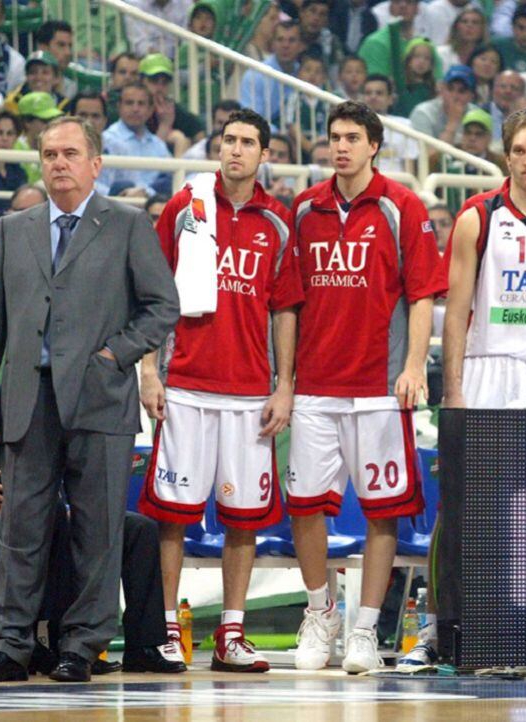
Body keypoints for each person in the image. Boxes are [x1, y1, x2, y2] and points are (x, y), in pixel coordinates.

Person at [0, 116, 179, 683]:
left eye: (70, 153)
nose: (58, 163)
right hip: (27, 398)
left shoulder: (128, 224)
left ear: (95, 163)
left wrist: (117, 353)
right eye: (50, 154)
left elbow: (162, 306)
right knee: (21, 529)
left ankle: (80, 646)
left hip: (99, 397)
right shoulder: (15, 227)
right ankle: (9, 646)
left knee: (97, 531)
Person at [402, 109, 526, 668]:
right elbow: (457, 310)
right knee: (464, 506)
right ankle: (441, 630)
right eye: (519, 150)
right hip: (487, 368)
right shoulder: (477, 216)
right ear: (506, 156)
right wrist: (455, 391)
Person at [139, 109, 303, 673]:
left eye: (247, 142)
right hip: (184, 384)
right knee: (173, 516)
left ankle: (230, 635)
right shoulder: (186, 208)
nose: (236, 149)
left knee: (243, 519)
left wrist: (285, 387)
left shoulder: (278, 222)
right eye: (228, 140)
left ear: (264, 154)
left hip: (250, 393)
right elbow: (153, 295)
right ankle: (167, 632)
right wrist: (149, 372)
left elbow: (284, 310)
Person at [287, 101, 443, 674]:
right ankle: (319, 611)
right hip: (315, 385)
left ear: (375, 145)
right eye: (334, 137)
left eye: (353, 137)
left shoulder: (403, 206)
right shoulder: (304, 208)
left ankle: (364, 629)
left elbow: (424, 293)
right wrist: (287, 381)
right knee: (304, 507)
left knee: (383, 512)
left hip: (379, 385)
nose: (341, 146)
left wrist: (413, 366)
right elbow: (288, 304)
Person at [99, 83, 172, 198]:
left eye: (141, 104)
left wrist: (147, 193)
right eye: (129, 103)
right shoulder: (105, 140)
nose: (135, 109)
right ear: (119, 106)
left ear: (150, 109)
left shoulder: (159, 145)